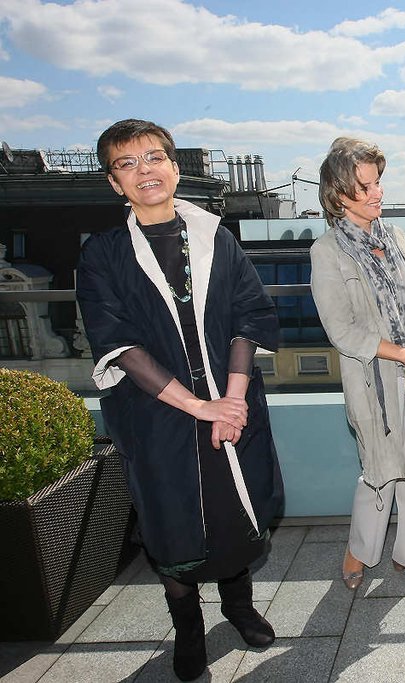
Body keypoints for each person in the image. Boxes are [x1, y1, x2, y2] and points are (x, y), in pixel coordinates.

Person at [77, 119, 283, 681]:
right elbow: (119, 344)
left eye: (153, 157)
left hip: (229, 401)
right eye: (126, 163)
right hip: (157, 414)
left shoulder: (216, 237)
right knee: (172, 523)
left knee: (234, 512)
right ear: (115, 182)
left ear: (173, 167)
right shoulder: (103, 254)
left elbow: (249, 315)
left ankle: (238, 607)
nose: (143, 170)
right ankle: (188, 626)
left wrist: (232, 400)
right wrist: (200, 407)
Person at [310, 137, 405, 592]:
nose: (378, 193)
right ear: (338, 194)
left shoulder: (396, 237)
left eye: (377, 183)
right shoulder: (327, 251)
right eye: (365, 186)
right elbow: (343, 330)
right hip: (374, 382)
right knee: (379, 470)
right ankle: (359, 551)